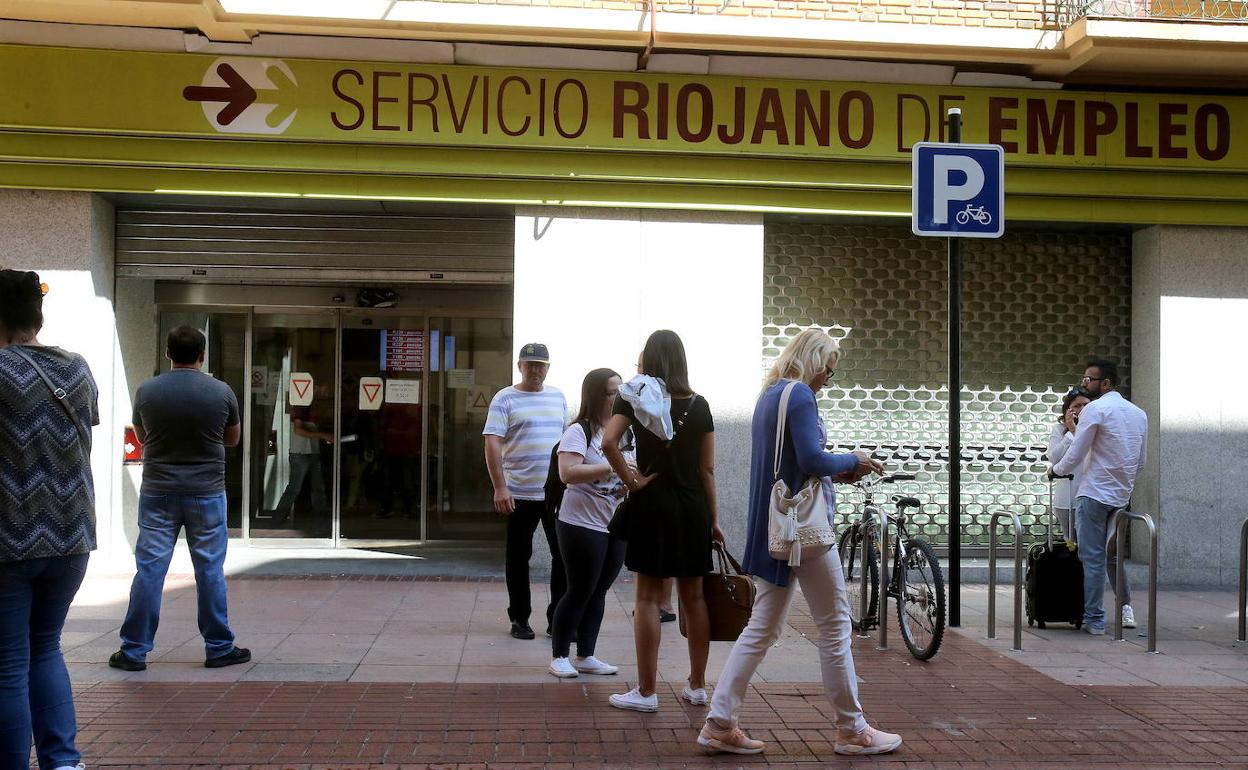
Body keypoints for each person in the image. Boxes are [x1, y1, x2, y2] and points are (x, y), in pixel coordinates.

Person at [695, 327, 902, 756]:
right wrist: (854, 460)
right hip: (803, 532)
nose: (828, 379)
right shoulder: (801, 396)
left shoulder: (769, 394)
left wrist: (832, 469)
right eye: (829, 370)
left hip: (777, 530)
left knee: (761, 628)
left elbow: (795, 462)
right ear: (814, 361)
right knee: (834, 625)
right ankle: (852, 729)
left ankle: (719, 721)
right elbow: (810, 458)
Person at [0, 269, 98, 770]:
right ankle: (63, 761)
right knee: (45, 649)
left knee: (8, 663)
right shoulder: (76, 367)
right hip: (71, 535)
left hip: (10, 537)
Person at [110, 326, 251, 671]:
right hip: (207, 492)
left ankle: (133, 651)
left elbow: (143, 434)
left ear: (168, 354)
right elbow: (232, 439)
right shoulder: (221, 392)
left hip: (158, 491)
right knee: (209, 571)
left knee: (150, 570)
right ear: (202, 355)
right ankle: (218, 648)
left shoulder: (147, 391)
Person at [603, 330, 720, 713]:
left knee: (648, 599)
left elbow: (608, 443)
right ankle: (698, 686)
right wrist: (713, 520)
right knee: (694, 597)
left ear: (648, 359)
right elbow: (707, 470)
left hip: (651, 504)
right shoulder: (700, 405)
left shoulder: (633, 397)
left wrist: (631, 479)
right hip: (692, 508)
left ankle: (647, 691)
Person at [1051, 359, 1146, 636]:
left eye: (1089, 379)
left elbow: (1076, 453)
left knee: (1092, 558)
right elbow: (1141, 461)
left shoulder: (1095, 409)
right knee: (1112, 557)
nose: (1084, 383)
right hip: (1121, 496)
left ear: (1106, 383)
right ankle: (1124, 607)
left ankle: (1095, 620)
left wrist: (1055, 470)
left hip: (1093, 494)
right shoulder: (1138, 413)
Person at [484, 342, 568, 640]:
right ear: (520, 366)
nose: (535, 370)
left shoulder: (558, 397)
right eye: (530, 364)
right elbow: (492, 442)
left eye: (541, 365)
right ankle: (520, 618)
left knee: (563, 557)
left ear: (548, 367)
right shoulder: (505, 398)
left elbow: (567, 443)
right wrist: (500, 487)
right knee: (518, 557)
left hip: (555, 493)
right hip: (518, 493)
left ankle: (558, 618)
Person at [547, 368, 628, 678]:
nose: (619, 399)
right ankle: (559, 654)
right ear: (596, 396)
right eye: (613, 393)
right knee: (579, 588)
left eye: (622, 393)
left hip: (614, 523)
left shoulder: (625, 432)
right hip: (580, 523)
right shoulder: (578, 431)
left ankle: (586, 654)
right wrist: (612, 466)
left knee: (600, 591)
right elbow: (568, 472)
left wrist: (628, 479)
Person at [1047, 388, 1091, 544]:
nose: (1082, 409)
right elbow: (1054, 457)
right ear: (1068, 410)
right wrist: (1071, 432)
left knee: (1088, 543)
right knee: (1070, 542)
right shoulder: (1059, 430)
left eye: (1086, 405)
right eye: (1077, 406)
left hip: (1090, 497)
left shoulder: (1094, 429)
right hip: (1066, 498)